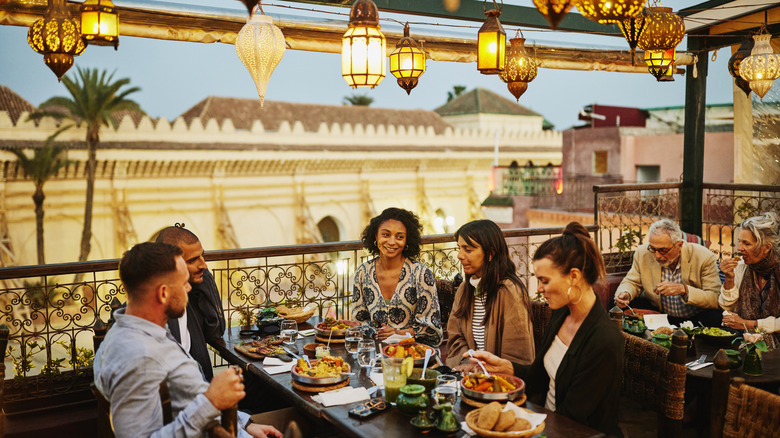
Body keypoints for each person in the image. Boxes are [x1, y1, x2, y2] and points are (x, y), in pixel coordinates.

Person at [93, 242, 282, 438]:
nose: (189, 288)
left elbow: (191, 393)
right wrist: (211, 401)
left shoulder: (135, 331)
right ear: (163, 293)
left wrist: (244, 423)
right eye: (184, 283)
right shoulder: (139, 355)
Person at [468, 222, 623, 437]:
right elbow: (538, 377)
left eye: (544, 281)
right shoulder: (561, 313)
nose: (539, 289)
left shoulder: (603, 339)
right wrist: (504, 367)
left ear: (574, 276)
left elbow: (574, 418)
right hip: (544, 422)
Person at [445, 219, 534, 371]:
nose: (459, 255)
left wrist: (484, 371)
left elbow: (517, 354)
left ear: (491, 253)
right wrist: (468, 364)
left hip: (499, 383)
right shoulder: (464, 289)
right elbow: (454, 337)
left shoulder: (509, 291)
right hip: (469, 376)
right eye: (459, 248)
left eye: (468, 249)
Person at [351, 207, 442, 347]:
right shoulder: (363, 272)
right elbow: (358, 322)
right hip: (374, 353)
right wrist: (378, 333)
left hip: (415, 353)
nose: (392, 242)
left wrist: (396, 333)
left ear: (407, 241)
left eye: (400, 237)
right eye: (386, 235)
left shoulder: (420, 273)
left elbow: (432, 329)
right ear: (375, 236)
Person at [614, 219, 722, 326]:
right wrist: (626, 293)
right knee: (615, 306)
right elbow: (632, 282)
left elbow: (714, 298)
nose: (657, 256)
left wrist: (684, 290)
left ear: (679, 245)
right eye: (653, 248)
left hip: (693, 318)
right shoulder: (643, 253)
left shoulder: (704, 256)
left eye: (663, 250)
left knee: (716, 317)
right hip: (658, 314)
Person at [155, 225, 226, 381]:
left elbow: (215, 330)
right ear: (170, 265)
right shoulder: (161, 312)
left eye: (202, 256)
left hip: (201, 390)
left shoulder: (188, 296)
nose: (204, 265)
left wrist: (202, 278)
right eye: (193, 260)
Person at [719, 212, 780, 347]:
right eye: (740, 242)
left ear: (766, 247)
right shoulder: (741, 267)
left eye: (747, 243)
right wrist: (729, 279)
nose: (740, 248)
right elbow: (727, 306)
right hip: (744, 341)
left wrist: (749, 324)